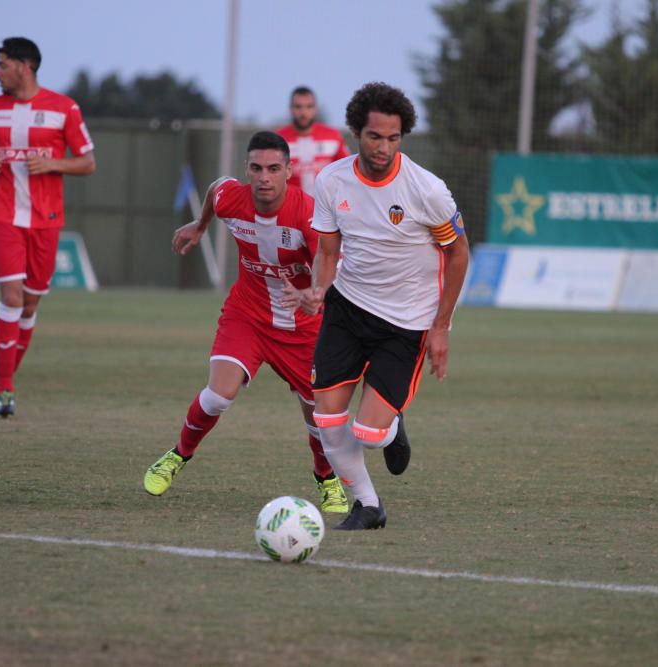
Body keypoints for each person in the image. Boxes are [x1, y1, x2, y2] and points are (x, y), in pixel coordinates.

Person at [285, 82, 470, 531]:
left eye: (393, 138)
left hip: (406, 323)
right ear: (355, 133)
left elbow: (458, 254)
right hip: (348, 309)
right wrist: (318, 290)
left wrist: (441, 328)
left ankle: (391, 422)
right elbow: (328, 252)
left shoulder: (427, 190)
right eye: (374, 137)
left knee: (369, 435)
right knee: (326, 416)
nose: (384, 147)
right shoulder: (332, 180)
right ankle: (368, 506)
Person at [143, 131, 349, 515]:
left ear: (289, 171)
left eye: (273, 169)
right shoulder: (231, 199)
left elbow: (328, 260)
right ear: (247, 170)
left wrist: (316, 294)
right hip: (248, 315)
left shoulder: (307, 215)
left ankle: (326, 478)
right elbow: (215, 189)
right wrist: (200, 226)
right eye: (256, 168)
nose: (264, 177)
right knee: (219, 395)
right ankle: (177, 455)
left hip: (302, 325)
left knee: (319, 415)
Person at [0, 37, 96, 417]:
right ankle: (6, 388)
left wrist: (56, 164)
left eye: (3, 65)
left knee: (29, 304)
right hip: (5, 215)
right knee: (11, 297)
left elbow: (88, 162)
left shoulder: (63, 108)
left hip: (46, 219)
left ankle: (0, 385)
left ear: (24, 66)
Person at [275, 86, 350, 194]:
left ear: (316, 109)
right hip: (292, 208)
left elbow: (347, 171)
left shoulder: (333, 137)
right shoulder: (278, 140)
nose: (303, 112)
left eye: (309, 106)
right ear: (290, 109)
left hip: (326, 208)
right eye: (298, 107)